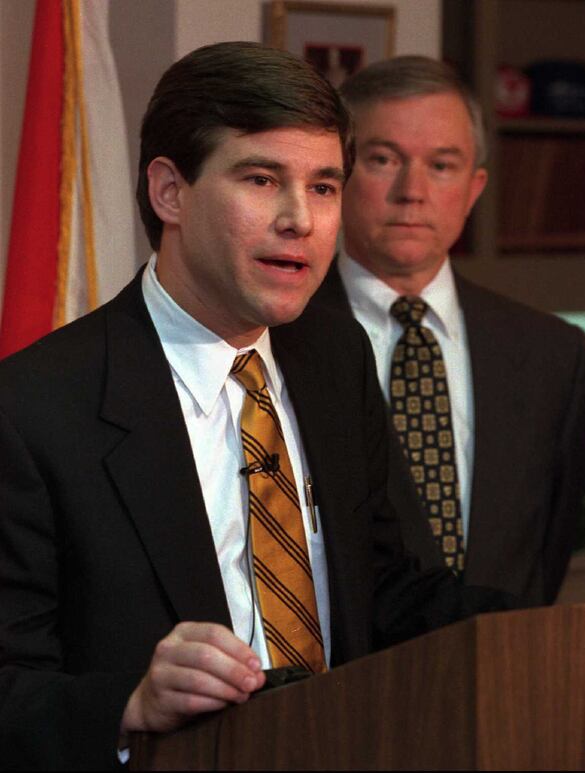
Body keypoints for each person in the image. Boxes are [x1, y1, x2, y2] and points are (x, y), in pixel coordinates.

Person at [0, 43, 513, 770]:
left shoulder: (334, 357)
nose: (300, 219)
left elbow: (384, 590)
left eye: (326, 186)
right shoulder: (34, 408)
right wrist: (129, 702)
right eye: (262, 178)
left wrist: (552, 631)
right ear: (169, 192)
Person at [312, 55, 585, 604]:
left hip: (506, 674)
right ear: (337, 175)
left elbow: (547, 551)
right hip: (344, 684)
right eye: (383, 159)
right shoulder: (277, 341)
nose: (412, 190)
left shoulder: (552, 353)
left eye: (442, 165)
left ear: (474, 187)